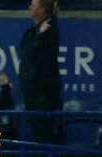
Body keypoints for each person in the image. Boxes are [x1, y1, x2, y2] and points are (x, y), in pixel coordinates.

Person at [19, 0, 62, 145]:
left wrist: (43, 33)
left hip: (43, 93)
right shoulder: (32, 32)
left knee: (45, 133)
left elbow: (42, 51)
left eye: (34, 5)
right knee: (39, 133)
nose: (30, 7)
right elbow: (27, 46)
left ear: (43, 10)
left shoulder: (50, 30)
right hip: (31, 92)